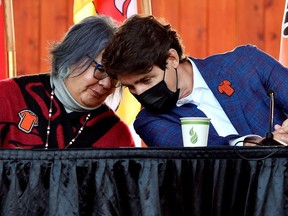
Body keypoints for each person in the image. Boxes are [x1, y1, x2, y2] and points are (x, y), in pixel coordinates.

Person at [102, 14, 288, 147]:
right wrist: (255, 144)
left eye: (146, 80)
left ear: (172, 59)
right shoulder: (149, 123)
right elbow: (201, 156)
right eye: (130, 87)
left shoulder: (246, 62)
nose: (140, 93)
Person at [0, 15, 135, 149]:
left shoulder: (117, 135)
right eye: (101, 70)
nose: (107, 84)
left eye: (115, 77)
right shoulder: (7, 98)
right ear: (73, 56)